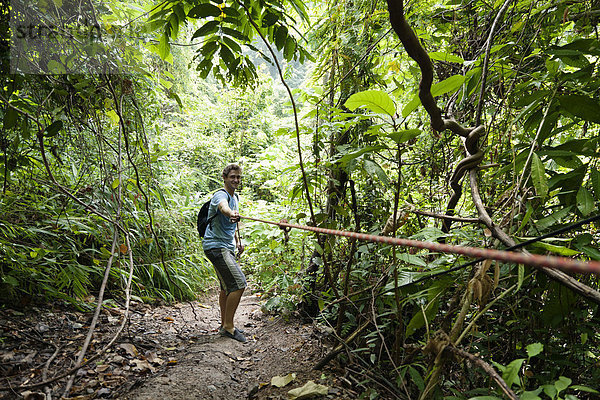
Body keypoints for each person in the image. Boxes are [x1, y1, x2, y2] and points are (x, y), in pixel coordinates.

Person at [202, 163, 247, 343]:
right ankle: (229, 327)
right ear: (225, 178)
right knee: (239, 283)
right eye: (232, 177)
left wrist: (237, 241)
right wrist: (230, 213)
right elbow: (224, 208)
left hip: (226, 246)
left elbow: (233, 219)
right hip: (216, 246)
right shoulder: (220, 195)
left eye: (238, 177)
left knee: (226, 287)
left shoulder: (234, 197)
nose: (236, 180)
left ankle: (224, 324)